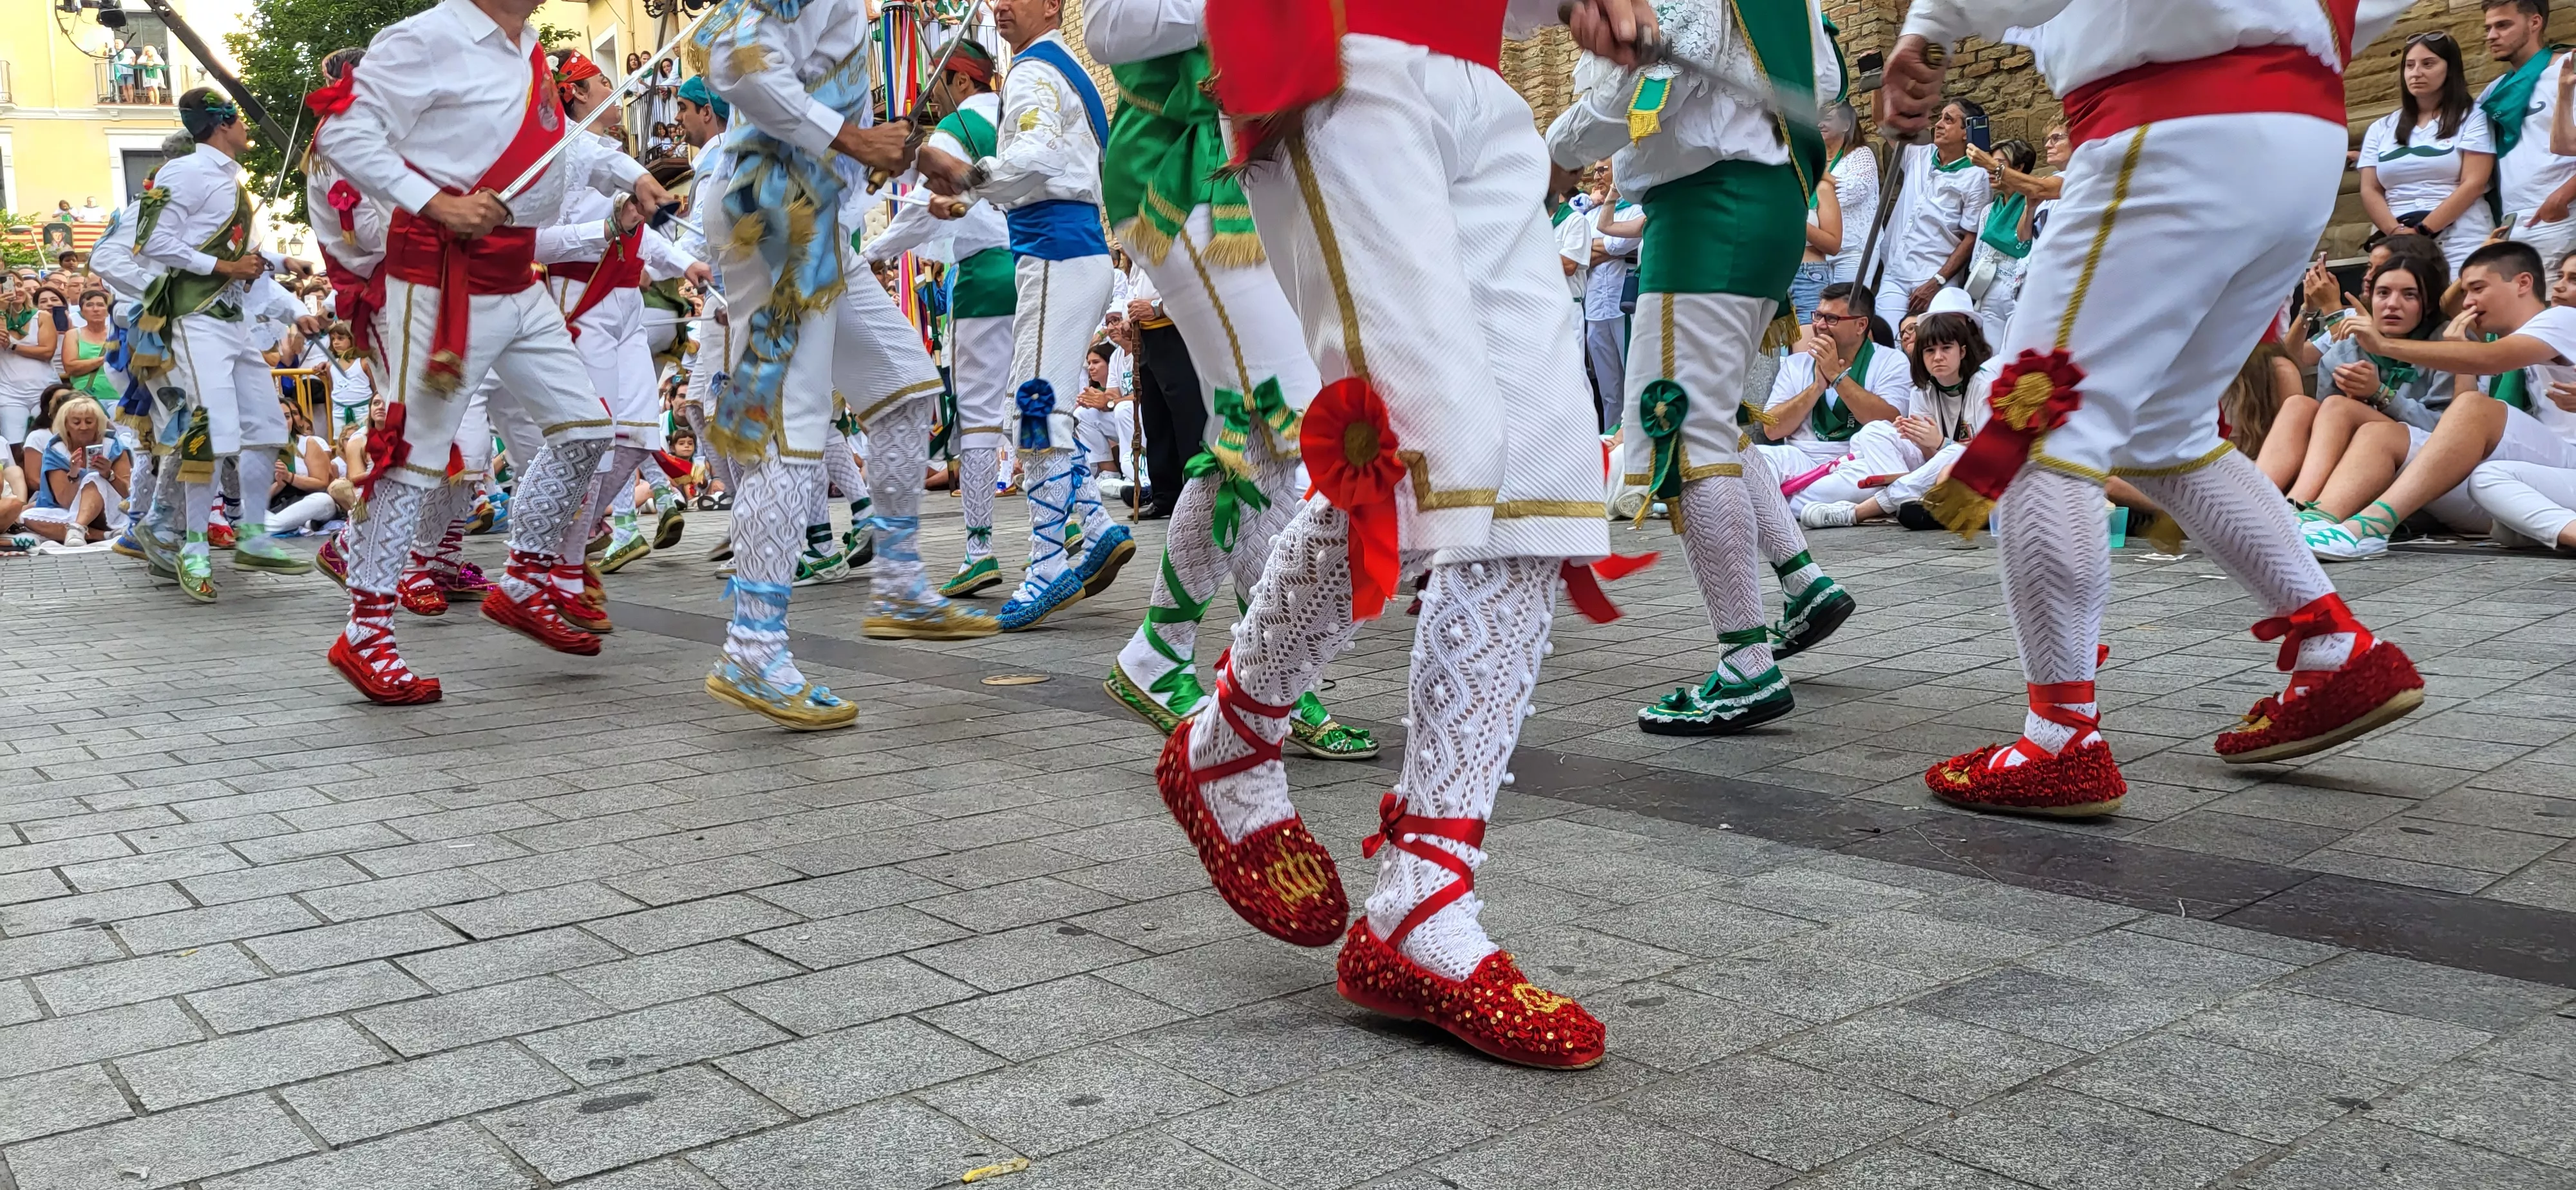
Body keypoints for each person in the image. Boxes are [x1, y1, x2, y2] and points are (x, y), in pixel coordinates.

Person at [1887, 0, 2425, 822]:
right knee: (2163, 427)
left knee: (2035, 422)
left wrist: (1931, 26)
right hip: (2303, 136)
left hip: (2172, 123)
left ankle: (2060, 736)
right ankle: (2332, 647)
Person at [316, 0, 680, 704]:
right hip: (444, 277)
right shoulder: (425, 37)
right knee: (415, 460)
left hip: (517, 275)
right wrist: (435, 203)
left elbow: (562, 146)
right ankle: (364, 635)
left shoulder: (528, 47)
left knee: (585, 430)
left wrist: (628, 176)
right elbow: (344, 132)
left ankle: (524, 579)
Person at [697, 0, 998, 726]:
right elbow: (731, 61)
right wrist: (854, 138)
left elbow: (814, 92)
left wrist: (906, 154)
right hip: (772, 214)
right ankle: (753, 644)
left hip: (818, 218)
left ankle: (896, 579)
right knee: (788, 434)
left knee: (904, 390)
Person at [1549, 0, 1844, 738]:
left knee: (1681, 437)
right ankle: (1801, 581)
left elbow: (1653, 86)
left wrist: (1558, 141)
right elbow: (1827, 81)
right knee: (1710, 421)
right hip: (1764, 200)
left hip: (1710, 205)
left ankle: (1745, 662)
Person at [918, 0, 1137, 632]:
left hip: (1054, 253)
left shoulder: (1034, 70)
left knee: (1034, 408)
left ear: (1052, 6)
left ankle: (1047, 564)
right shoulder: (1063, 65)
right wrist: (974, 197)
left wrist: (967, 175)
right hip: (1069, 249)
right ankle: (1092, 528)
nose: (998, 5)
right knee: (1042, 405)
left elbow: (1037, 158)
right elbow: (1054, 168)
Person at [132, 88, 311, 603]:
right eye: (241, 120)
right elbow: (154, 242)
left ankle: (253, 535)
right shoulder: (183, 172)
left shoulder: (229, 179)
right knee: (210, 430)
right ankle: (192, 548)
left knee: (266, 426)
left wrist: (276, 262)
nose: (248, 129)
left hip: (232, 320)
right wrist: (228, 267)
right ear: (223, 123)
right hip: (194, 318)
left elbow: (237, 249)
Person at [860, 42, 1014, 597]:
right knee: (1037, 404)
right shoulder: (1022, 110)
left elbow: (932, 206)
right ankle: (1074, 528)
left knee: (977, 418)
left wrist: (872, 252)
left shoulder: (957, 123)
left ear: (960, 80)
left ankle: (978, 548)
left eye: (942, 81)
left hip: (987, 280)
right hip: (1040, 269)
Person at [2315, 240, 2576, 555]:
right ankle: (2316, 520)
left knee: (2477, 419)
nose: (2468, 302)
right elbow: (2462, 420)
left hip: (2566, 465)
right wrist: (2462, 357)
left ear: (2523, 283)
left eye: (2478, 289)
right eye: (2465, 292)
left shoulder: (2561, 319)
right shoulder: (2504, 339)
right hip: (2549, 478)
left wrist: (2382, 345)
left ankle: (2370, 526)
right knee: (2478, 475)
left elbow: (2491, 361)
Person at [2280, 255, 2458, 524]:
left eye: (2409, 295)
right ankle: (2256, 503)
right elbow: (2326, 434)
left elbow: (2454, 433)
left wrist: (2381, 394)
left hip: (2430, 470)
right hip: (2357, 471)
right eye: (2383, 294)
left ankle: (2297, 507)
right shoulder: (2344, 351)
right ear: (2370, 299)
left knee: (2341, 408)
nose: (2392, 305)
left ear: (2429, 303)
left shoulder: (2449, 344)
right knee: (2299, 406)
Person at [1800, 298, 1994, 529]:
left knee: (1955, 455)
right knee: (1873, 431)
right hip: (1932, 472)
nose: (1938, 357)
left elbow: (1987, 458)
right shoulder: (1922, 392)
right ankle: (1905, 502)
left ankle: (1859, 513)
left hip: (1979, 477)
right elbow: (1930, 458)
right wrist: (1921, 441)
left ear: (1962, 352)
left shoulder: (1985, 386)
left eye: (1946, 348)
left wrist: (1941, 443)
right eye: (1930, 351)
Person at [1753, 281, 1915, 491]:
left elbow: (1889, 420)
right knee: (1755, 459)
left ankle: (1786, 499)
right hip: (1803, 457)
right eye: (1818, 315)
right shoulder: (1797, 364)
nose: (1820, 325)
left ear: (1861, 325)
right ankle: (1812, 501)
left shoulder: (1890, 361)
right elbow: (1772, 430)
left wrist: (1837, 377)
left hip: (1858, 460)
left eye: (1832, 319)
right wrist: (1817, 388)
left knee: (1870, 478)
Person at [2360, 33, 2494, 276]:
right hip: (2396, 242)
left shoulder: (2473, 117)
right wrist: (2397, 234)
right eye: (2409, 66)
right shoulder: (2381, 128)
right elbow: (2370, 189)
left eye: (2428, 64)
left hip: (2460, 237)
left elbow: (2474, 182)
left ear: (2450, 69)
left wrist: (2422, 231)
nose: (2416, 72)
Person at [1873, 98, 1991, 330]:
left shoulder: (1977, 176)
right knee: (1888, 342)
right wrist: (1878, 80)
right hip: (1896, 273)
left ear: (1966, 132)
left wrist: (1936, 282)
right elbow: (1882, 122)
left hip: (1936, 277)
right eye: (1940, 118)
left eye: (1949, 120)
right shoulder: (1920, 155)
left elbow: (1971, 238)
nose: (1939, 124)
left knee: (1937, 342)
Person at [2485, 1, 2576, 270]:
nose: (2491, 35)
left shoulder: (2568, 72)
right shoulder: (2493, 92)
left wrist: (2562, 196)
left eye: (2503, 25)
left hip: (2562, 217)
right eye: (2488, 27)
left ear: (2534, 23)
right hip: (2511, 224)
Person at [22, 395, 131, 545]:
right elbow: (65, 501)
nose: (83, 427)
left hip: (109, 511)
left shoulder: (113, 445)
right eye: (76, 422)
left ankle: (78, 528)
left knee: (94, 478)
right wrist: (73, 473)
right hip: (71, 508)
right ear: (66, 424)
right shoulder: (56, 450)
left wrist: (109, 474)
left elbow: (128, 492)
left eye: (89, 421)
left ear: (98, 424)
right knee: (27, 517)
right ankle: (104, 535)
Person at [1581, 172, 1644, 430]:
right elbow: (1579, 254)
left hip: (1623, 305)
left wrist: (1598, 248)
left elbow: (1618, 244)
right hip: (1596, 307)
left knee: (1633, 380)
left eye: (1603, 170)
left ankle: (1633, 439)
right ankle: (1609, 442)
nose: (1597, 176)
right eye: (1595, 171)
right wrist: (1608, 249)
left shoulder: (1635, 208)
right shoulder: (1590, 216)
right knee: (1608, 391)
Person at [1962, 137, 2036, 346]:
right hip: (1989, 289)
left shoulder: (2036, 204)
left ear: (2019, 168)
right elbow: (1978, 255)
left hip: (2021, 290)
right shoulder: (1988, 210)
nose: (1990, 170)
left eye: (1998, 165)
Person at [1793, 107, 1848, 328]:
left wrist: (1794, 220)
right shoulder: (1775, 187)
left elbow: (1834, 244)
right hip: (1771, 273)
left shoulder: (1822, 188)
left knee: (1806, 357)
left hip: (1808, 275)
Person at [0, 281, 60, 457]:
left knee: (52, 439)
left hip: (44, 389)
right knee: (14, 446)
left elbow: (48, 352)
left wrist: (13, 347)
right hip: (9, 393)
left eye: (18, 284)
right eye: (5, 287)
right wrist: (1, 311)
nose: (15, 290)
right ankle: (23, 482)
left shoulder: (41, 316)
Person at [265, 397, 342, 534]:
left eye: (287, 417)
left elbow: (321, 483)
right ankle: (292, 525)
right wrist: (279, 486)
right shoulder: (258, 450)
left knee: (325, 501)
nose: (284, 422)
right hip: (273, 506)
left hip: (306, 501)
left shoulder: (308, 443)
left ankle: (268, 527)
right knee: (242, 504)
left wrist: (290, 477)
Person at [1823, 100, 1879, 287]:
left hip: (1854, 249)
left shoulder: (1861, 155)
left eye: (1828, 119)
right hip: (1820, 249)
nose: (1820, 123)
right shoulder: (1818, 159)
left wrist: (1821, 176)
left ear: (1846, 125)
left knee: (1846, 308)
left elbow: (1855, 190)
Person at [58, 290, 118, 408]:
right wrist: (105, 359)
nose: (95, 309)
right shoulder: (73, 334)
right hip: (85, 398)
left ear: (108, 311)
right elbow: (71, 368)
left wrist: (87, 365)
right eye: (90, 305)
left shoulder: (117, 333)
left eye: (101, 305)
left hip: (118, 396)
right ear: (82, 311)